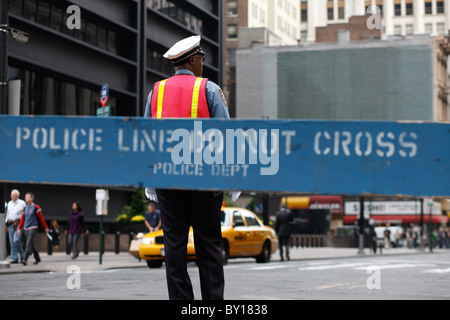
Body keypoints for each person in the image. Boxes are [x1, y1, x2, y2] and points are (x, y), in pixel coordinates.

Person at [143, 35, 239, 300]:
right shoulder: (209, 89)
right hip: (205, 181)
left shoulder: (156, 93)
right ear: (194, 60)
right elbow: (226, 135)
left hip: (168, 181)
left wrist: (149, 181)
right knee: (208, 244)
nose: (203, 64)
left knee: (174, 245)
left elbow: (148, 140)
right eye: (202, 59)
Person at [17, 192, 48, 265]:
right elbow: (22, 219)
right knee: (31, 244)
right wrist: (19, 228)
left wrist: (46, 227)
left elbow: (41, 218)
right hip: (26, 228)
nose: (26, 198)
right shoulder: (25, 208)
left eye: (28, 197)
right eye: (25, 197)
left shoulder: (36, 207)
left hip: (33, 227)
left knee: (28, 244)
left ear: (32, 198)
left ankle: (25, 259)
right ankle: (37, 258)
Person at [5, 189, 26, 263]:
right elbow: (8, 214)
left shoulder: (22, 203)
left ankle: (22, 255)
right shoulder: (9, 203)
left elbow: (24, 214)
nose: (12, 196)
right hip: (10, 223)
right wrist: (6, 224)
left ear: (18, 196)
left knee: (16, 240)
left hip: (18, 224)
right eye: (11, 195)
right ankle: (14, 258)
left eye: (13, 195)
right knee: (11, 242)